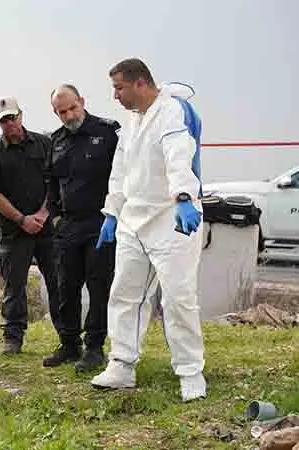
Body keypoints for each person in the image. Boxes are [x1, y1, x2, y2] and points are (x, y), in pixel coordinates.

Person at [91, 58, 206, 402]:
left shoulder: (172, 112)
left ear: (140, 83)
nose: (115, 95)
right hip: (133, 219)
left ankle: (190, 372)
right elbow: (120, 170)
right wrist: (112, 212)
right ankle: (121, 365)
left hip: (172, 219)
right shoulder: (133, 120)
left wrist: (183, 197)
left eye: (119, 87)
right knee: (125, 293)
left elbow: (178, 155)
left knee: (178, 297)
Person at [47, 85, 119, 371]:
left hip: (99, 222)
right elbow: (52, 183)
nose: (68, 116)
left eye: (72, 108)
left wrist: (115, 215)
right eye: (61, 112)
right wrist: (54, 216)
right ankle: (69, 344)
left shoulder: (107, 133)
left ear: (82, 102)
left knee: (98, 286)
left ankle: (94, 347)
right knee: (66, 286)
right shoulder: (57, 140)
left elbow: (120, 177)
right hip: (68, 224)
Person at [0, 96, 59, 356]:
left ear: (21, 116)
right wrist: (21, 219)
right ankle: (13, 337)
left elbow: (54, 182)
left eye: (12, 118)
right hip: (13, 231)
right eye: (4, 121)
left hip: (46, 228)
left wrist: (43, 214)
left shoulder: (44, 144)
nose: (9, 124)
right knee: (13, 287)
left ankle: (68, 337)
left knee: (58, 283)